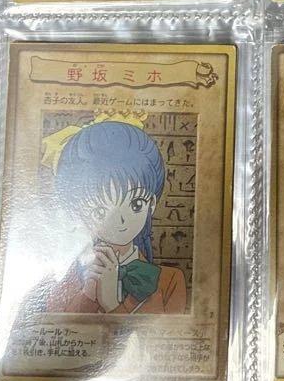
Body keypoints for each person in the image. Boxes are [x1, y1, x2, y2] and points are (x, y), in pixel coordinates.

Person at [41, 116, 186, 315]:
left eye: (136, 204)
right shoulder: (62, 282)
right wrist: (88, 294)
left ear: (151, 203)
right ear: (78, 214)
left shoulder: (170, 280)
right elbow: (54, 332)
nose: (121, 221)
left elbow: (171, 335)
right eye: (100, 211)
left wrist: (112, 305)